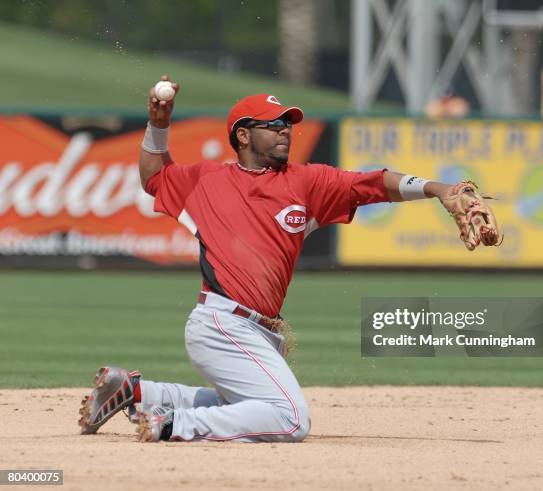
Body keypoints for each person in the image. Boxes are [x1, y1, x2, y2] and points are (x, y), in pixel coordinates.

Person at [78, 76, 461, 443]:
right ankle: (173, 423)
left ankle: (137, 392)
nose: (285, 130)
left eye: (288, 124)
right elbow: (154, 178)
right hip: (221, 323)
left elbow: (373, 184)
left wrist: (438, 189)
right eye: (273, 124)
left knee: (250, 407)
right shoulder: (206, 180)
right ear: (242, 135)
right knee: (290, 418)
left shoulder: (306, 182)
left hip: (262, 330)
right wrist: (158, 124)